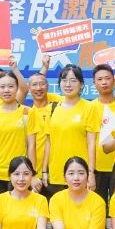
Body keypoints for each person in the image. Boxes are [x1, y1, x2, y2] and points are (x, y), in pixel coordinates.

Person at [43, 65, 100, 198]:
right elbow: (48, 142)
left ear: (81, 84)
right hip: (57, 173)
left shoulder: (89, 108)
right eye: (64, 80)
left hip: (80, 174)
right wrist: (44, 171)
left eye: (73, 80)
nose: (68, 84)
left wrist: (91, 173)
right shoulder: (52, 108)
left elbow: (92, 143)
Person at [0, 72, 37, 195]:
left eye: (10, 86)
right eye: (2, 87)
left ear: (17, 88)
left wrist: (33, 175)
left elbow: (31, 146)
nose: (6, 90)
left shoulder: (27, 112)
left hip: (21, 174)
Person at [0, 156, 49, 229]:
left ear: (32, 176)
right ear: (10, 176)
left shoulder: (41, 200)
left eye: (26, 174)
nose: (21, 179)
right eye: (16, 174)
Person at [48, 156, 106, 229]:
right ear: (64, 178)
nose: (76, 178)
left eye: (81, 173)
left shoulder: (98, 202)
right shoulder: (56, 200)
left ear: (88, 176)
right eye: (71, 173)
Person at [90, 65, 115, 202]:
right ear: (94, 83)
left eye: (108, 78)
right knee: (97, 206)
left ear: (114, 80)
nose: (104, 82)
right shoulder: (89, 107)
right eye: (100, 79)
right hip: (96, 168)